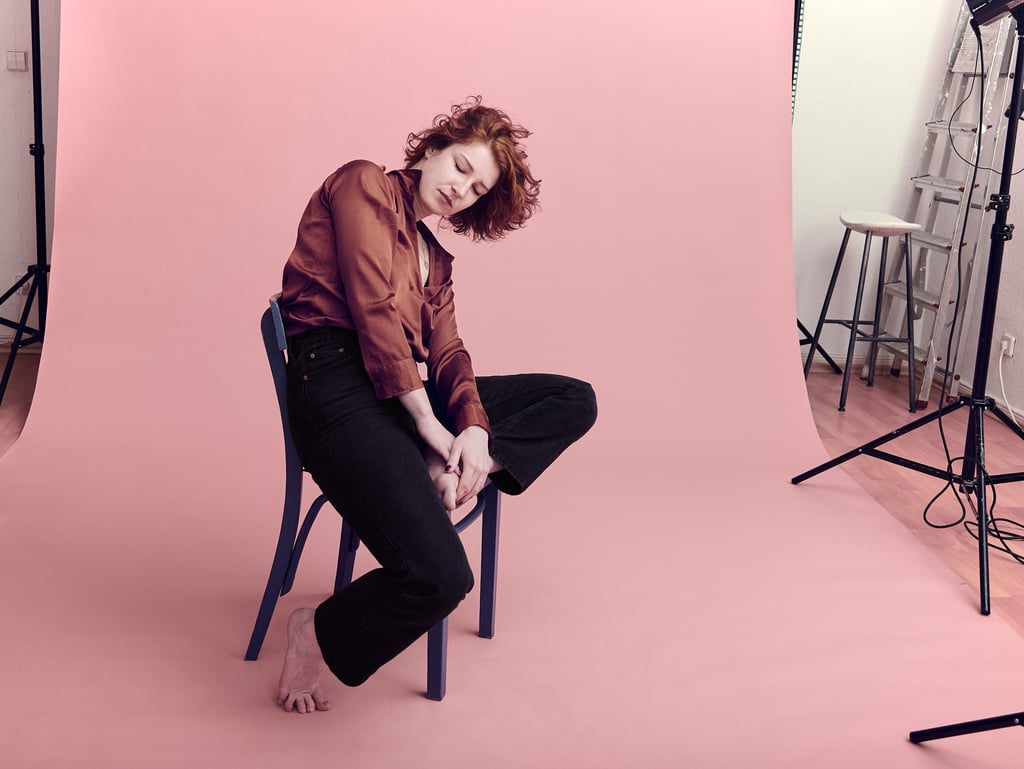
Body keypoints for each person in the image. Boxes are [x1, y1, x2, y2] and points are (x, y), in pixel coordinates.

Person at [275, 97, 597, 713]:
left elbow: (449, 354)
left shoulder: (437, 259)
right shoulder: (363, 183)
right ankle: (314, 632)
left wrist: (474, 433)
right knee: (444, 579)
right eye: (461, 168)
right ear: (430, 151)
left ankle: (467, 469)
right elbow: (371, 312)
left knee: (571, 398)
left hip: (401, 397)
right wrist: (429, 424)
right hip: (337, 390)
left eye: (478, 188)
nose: (462, 189)